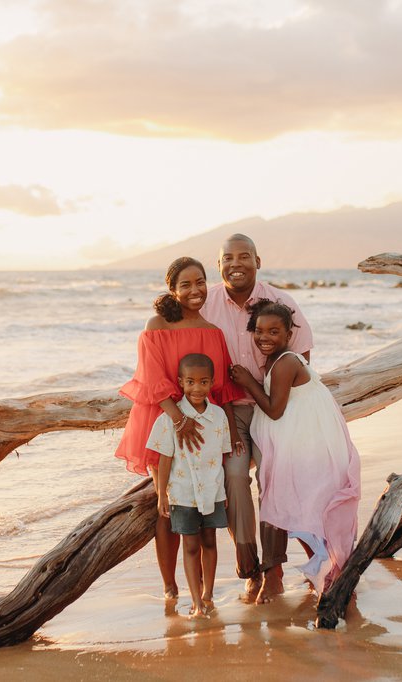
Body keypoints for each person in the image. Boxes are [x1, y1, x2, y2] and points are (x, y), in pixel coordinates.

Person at [115, 257, 243, 600]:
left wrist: (231, 432)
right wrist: (178, 419)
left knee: (201, 499)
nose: (195, 290)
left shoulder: (213, 332)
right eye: (185, 284)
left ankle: (203, 590)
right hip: (164, 419)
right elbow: (153, 379)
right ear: (172, 289)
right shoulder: (156, 324)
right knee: (168, 501)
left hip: (202, 426)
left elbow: (220, 391)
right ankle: (170, 585)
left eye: (200, 282)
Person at [200, 233, 313, 603]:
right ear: (218, 265)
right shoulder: (205, 304)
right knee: (233, 478)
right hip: (226, 414)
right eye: (228, 258)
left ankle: (274, 571)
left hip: (272, 410)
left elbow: (301, 358)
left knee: (273, 482)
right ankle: (249, 568)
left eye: (244, 256)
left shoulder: (280, 301)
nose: (236, 264)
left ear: (257, 261)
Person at [230, 300, 360, 595]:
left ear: (289, 334)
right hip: (307, 440)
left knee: (308, 508)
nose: (265, 337)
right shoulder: (280, 360)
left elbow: (275, 410)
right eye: (259, 331)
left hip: (308, 445)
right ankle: (326, 566)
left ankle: (332, 571)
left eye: (274, 331)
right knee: (305, 509)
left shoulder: (287, 362)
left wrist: (249, 383)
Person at [149, 353, 231, 618]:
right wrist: (162, 494)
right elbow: (164, 459)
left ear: (212, 383)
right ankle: (195, 601)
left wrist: (225, 490)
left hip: (213, 490)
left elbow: (223, 456)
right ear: (181, 382)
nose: (198, 388)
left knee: (210, 541)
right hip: (183, 493)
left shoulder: (218, 416)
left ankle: (208, 594)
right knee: (190, 545)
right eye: (191, 382)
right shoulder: (171, 419)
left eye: (204, 382)